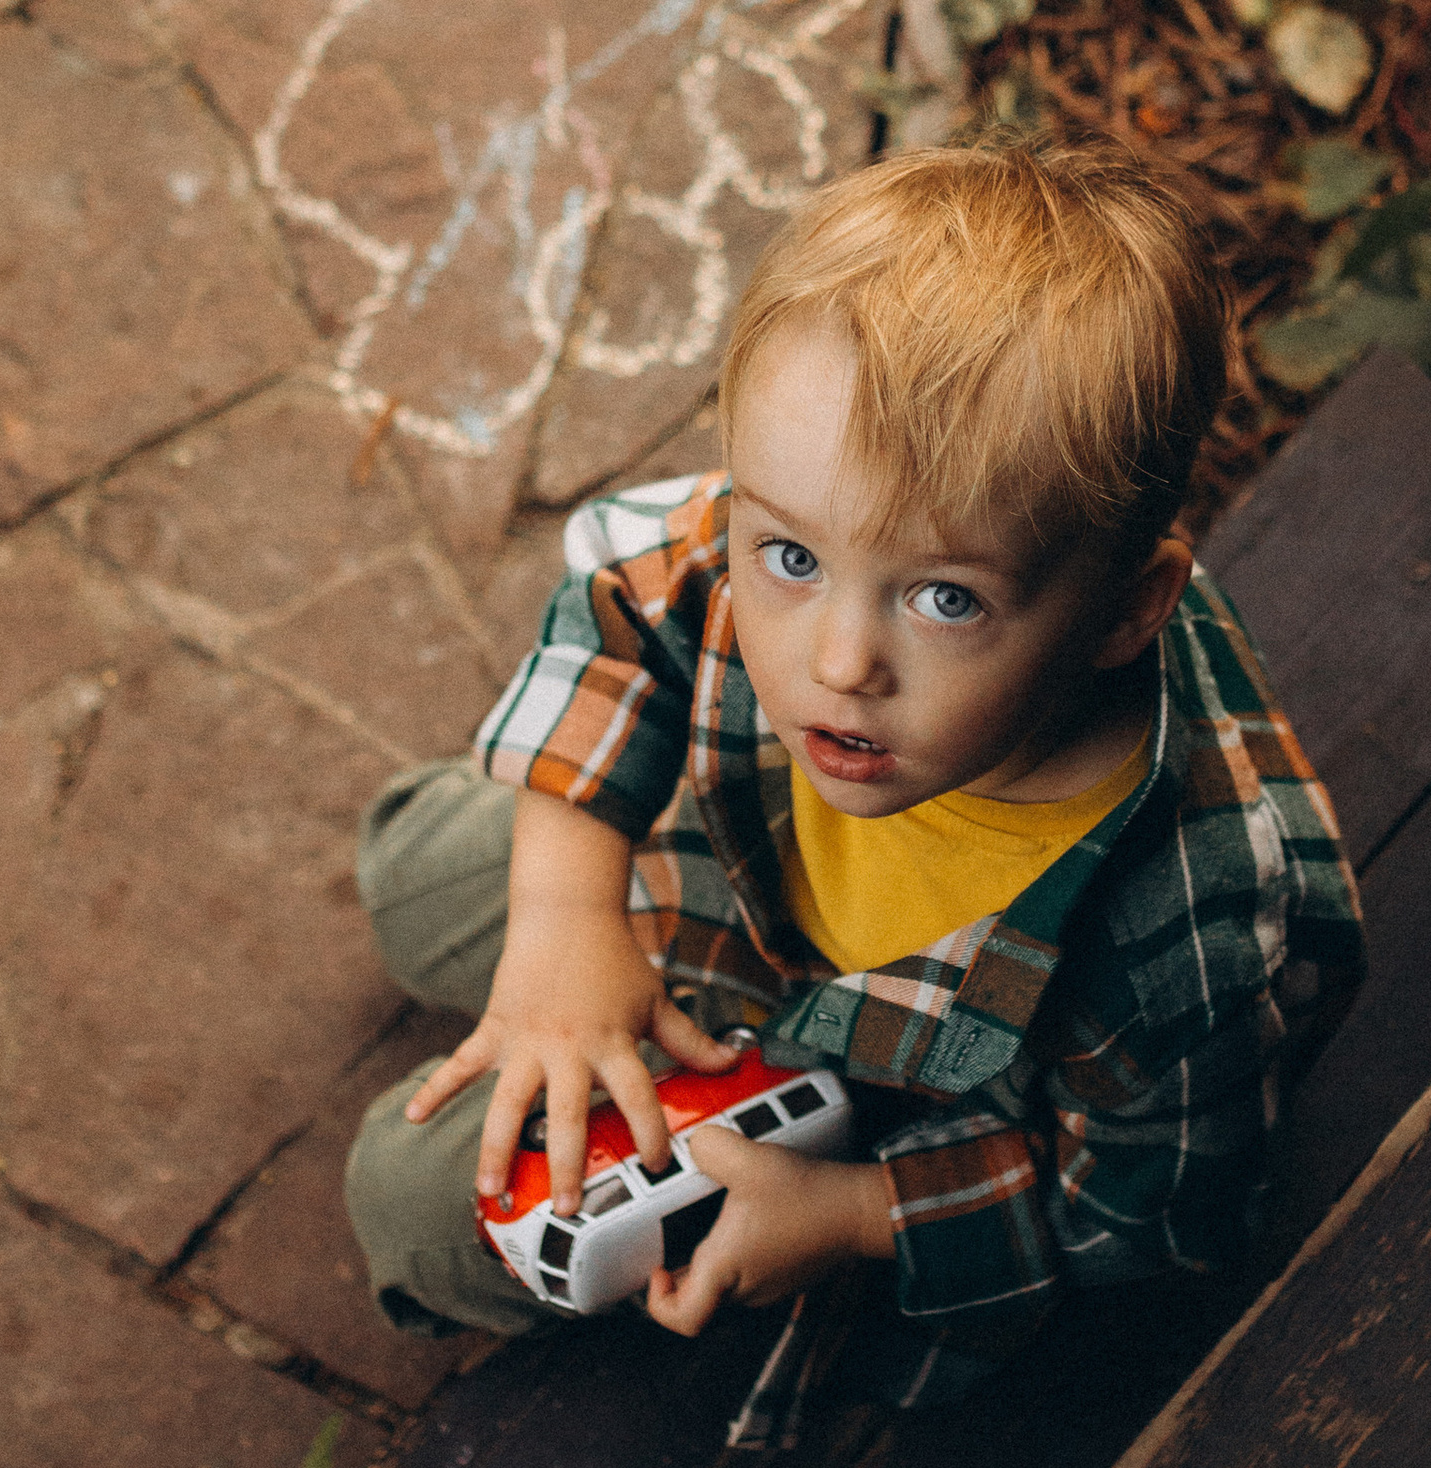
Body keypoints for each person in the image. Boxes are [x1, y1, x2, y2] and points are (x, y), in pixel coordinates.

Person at [343, 139, 1363, 1396]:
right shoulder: (857, 499)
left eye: (943, 598)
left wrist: (853, 1216)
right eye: (789, 560)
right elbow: (621, 597)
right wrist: (563, 916)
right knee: (406, 876)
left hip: (888, 1063)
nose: (836, 661)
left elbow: (1150, 1217)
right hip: (735, 867)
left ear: (1121, 612)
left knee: (407, 1200)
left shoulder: (1179, 942)